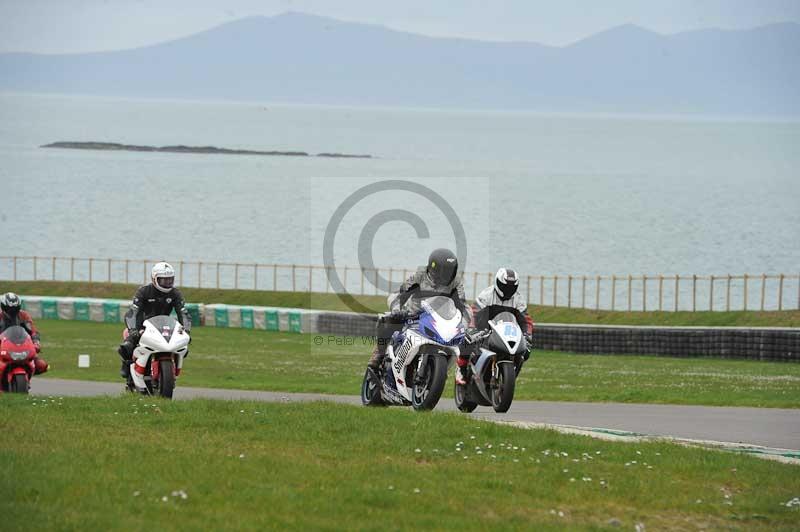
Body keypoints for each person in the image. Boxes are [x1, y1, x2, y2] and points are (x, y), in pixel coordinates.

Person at [367, 248, 469, 371]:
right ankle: (379, 353)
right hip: (413, 316)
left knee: (462, 341)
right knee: (388, 321)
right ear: (434, 268)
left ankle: (439, 371)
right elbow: (398, 295)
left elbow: (463, 307)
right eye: (445, 270)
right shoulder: (419, 277)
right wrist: (397, 310)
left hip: (440, 322)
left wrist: (464, 324)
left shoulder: (456, 283)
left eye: (450, 271)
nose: (447, 274)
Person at [456, 268, 533, 384]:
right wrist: (472, 329)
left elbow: (526, 321)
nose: (508, 290)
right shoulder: (486, 295)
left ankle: (510, 377)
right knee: (467, 340)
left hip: (507, 333)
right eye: (505, 286)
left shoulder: (518, 299)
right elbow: (474, 313)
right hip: (486, 330)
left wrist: (527, 335)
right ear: (498, 283)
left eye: (511, 287)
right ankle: (461, 368)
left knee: (525, 352)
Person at [117, 262, 192, 380]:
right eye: (164, 280)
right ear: (154, 279)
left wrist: (186, 330)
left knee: (183, 347)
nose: (168, 283)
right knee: (128, 344)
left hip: (164, 325)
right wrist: (133, 330)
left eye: (170, 280)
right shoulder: (144, 291)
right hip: (142, 325)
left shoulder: (175, 293)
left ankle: (172, 370)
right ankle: (127, 365)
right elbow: (133, 312)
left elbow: (183, 313)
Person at [0, 292, 49, 374]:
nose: (12, 311)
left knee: (42, 366)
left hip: (22, 346)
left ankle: (27, 377)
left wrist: (36, 342)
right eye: (9, 309)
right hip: (3, 347)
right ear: (3, 307)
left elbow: (32, 330)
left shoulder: (24, 315)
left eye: (15, 309)